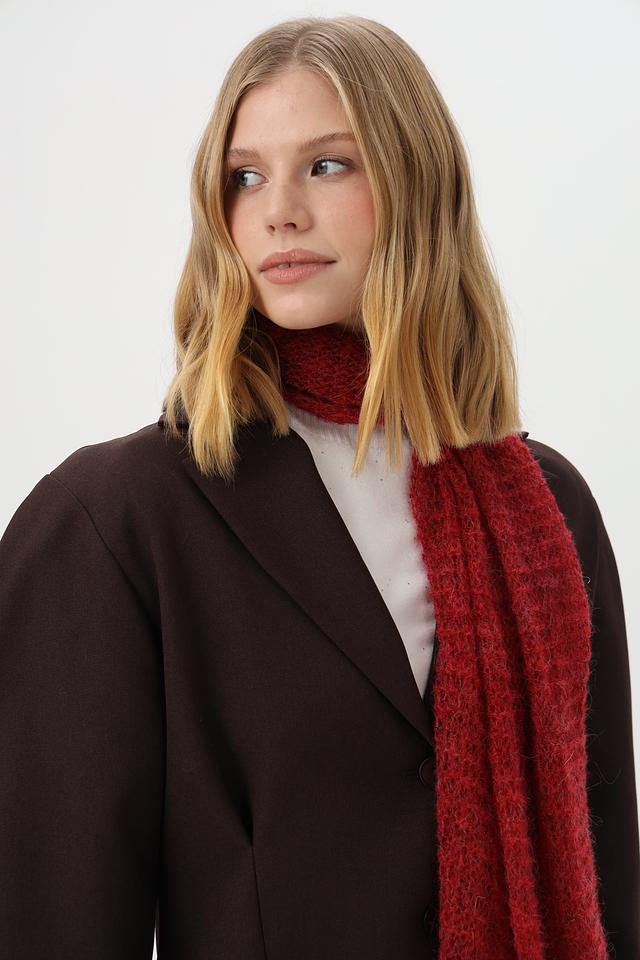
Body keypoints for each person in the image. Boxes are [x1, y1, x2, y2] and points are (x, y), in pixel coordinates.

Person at [0, 14, 638, 960]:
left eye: (328, 165)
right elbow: (56, 916)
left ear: (419, 185)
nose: (279, 212)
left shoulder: (549, 511)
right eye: (245, 176)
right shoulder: (112, 522)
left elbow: (609, 886)